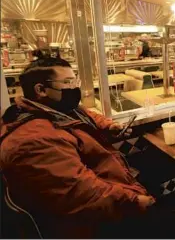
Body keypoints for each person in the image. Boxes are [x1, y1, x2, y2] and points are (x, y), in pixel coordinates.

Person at [0, 57, 155, 238]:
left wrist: (107, 126)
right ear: (41, 89)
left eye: (75, 81)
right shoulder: (32, 141)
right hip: (90, 224)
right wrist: (134, 202)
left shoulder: (56, 108)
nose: (74, 88)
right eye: (67, 82)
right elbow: (81, 194)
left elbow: (84, 113)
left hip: (111, 186)